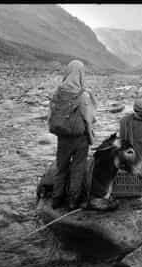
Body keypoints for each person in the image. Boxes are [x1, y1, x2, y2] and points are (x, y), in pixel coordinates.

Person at [49, 60, 97, 210]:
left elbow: (51, 115)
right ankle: (72, 201)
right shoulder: (83, 95)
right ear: (81, 74)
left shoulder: (57, 92)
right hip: (80, 138)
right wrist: (90, 136)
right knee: (78, 168)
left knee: (61, 167)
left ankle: (56, 199)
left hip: (62, 137)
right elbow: (88, 119)